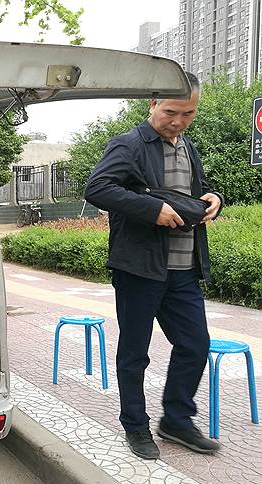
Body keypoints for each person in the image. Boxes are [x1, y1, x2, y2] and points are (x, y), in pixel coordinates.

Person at [84, 72, 224, 460]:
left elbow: (192, 193)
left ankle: (176, 421)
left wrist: (212, 198)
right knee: (135, 352)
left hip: (183, 270)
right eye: (171, 112)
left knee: (195, 345)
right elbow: (97, 188)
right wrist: (153, 210)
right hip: (140, 270)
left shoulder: (188, 146)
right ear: (152, 105)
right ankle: (136, 426)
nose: (178, 121)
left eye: (188, 113)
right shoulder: (128, 144)